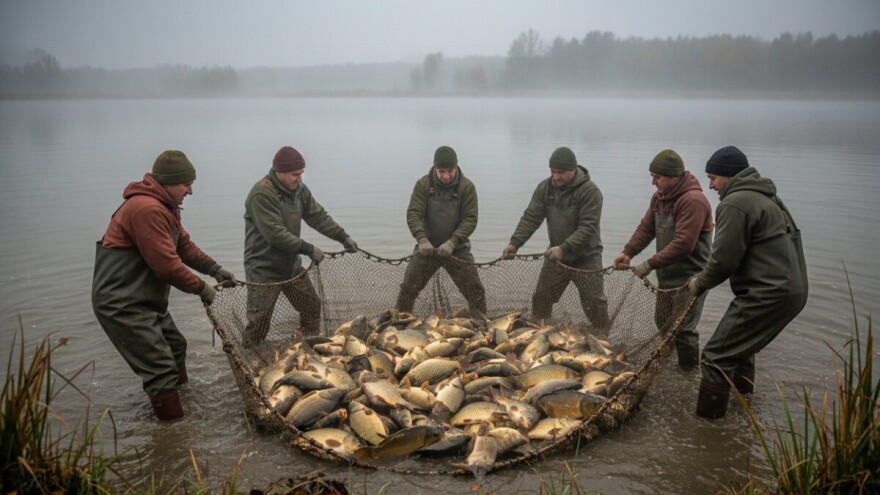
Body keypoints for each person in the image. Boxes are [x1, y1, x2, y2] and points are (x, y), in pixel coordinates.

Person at [92, 150, 237, 421]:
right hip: (122, 304)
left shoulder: (166, 207)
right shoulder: (146, 209)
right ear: (169, 183)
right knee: (159, 369)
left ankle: (179, 403)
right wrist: (202, 288)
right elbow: (167, 266)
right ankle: (173, 428)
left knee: (175, 347)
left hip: (145, 300)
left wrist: (214, 269)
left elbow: (183, 246)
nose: (190, 191)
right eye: (186, 184)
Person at [687, 146, 808, 419]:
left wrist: (699, 283)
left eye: (714, 178)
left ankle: (708, 428)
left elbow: (722, 260)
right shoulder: (768, 196)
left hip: (767, 294)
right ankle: (744, 406)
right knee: (740, 349)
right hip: (792, 291)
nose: (710, 185)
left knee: (715, 357)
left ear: (729, 176)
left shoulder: (735, 203)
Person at [243, 146, 358, 344]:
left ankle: (306, 345)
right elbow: (276, 235)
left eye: (301, 174)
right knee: (259, 323)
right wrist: (309, 249)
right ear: (279, 172)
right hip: (263, 269)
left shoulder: (299, 190)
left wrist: (342, 236)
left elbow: (318, 216)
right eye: (295, 174)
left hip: (290, 266)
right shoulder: (261, 194)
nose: (300, 179)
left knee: (311, 306)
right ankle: (248, 358)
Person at [612, 149, 713, 370]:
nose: (652, 182)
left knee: (684, 329)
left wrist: (649, 264)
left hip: (691, 278)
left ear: (673, 177)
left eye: (657, 177)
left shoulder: (693, 201)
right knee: (663, 322)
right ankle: (670, 367)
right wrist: (628, 252)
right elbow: (647, 228)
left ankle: (688, 375)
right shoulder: (659, 198)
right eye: (652, 176)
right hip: (667, 276)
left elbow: (683, 244)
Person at [502, 147, 609, 330]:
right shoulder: (545, 188)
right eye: (553, 171)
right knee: (542, 298)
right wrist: (515, 243)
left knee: (595, 304)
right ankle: (541, 332)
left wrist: (564, 248)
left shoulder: (590, 192)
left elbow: (588, 227)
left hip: (587, 257)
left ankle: (603, 337)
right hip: (556, 256)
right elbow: (531, 217)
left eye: (561, 172)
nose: (556, 177)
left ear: (573, 170)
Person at [395, 146, 487, 315]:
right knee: (408, 289)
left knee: (476, 292)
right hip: (427, 248)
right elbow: (413, 213)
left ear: (456, 168)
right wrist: (422, 239)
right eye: (441, 171)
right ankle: (399, 324)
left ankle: (482, 326)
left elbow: (470, 219)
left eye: (449, 171)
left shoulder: (466, 187)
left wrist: (453, 242)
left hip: (457, 249)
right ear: (435, 168)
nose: (445, 176)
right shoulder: (423, 184)